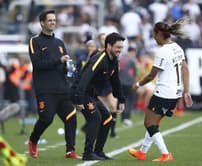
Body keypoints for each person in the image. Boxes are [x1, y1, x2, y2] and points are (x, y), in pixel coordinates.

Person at [128, 17, 193, 162]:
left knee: (149, 123)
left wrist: (137, 85)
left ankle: (165, 154)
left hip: (164, 92)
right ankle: (142, 152)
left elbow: (152, 75)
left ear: (158, 34)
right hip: (175, 92)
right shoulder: (177, 47)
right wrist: (186, 91)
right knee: (153, 122)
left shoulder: (163, 51)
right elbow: (185, 68)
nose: (153, 38)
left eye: (153, 34)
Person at [27, 10, 80, 159]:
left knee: (71, 116)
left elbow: (63, 66)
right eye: (50, 20)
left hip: (62, 88)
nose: (53, 22)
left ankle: (70, 151)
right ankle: (33, 140)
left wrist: (69, 68)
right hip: (45, 89)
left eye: (54, 20)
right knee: (46, 119)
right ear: (42, 23)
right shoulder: (34, 41)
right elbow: (37, 64)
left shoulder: (60, 43)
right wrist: (59, 61)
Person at [71, 32, 125, 160]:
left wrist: (121, 99)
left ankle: (99, 151)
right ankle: (88, 153)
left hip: (91, 95)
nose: (119, 50)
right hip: (80, 93)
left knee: (107, 118)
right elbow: (84, 79)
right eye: (118, 47)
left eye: (121, 48)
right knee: (95, 118)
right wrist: (78, 100)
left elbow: (115, 81)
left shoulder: (114, 60)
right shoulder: (99, 59)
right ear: (109, 46)